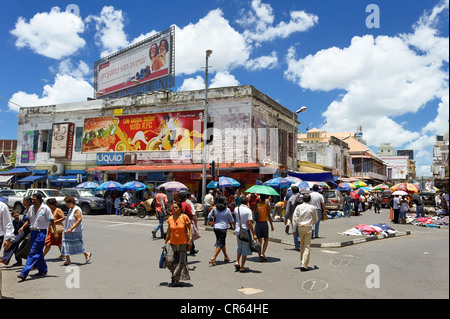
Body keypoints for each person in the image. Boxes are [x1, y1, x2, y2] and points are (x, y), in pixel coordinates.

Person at [17, 193, 58, 280]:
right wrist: (22, 227)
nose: (32, 201)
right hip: (33, 232)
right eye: (32, 199)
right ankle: (43, 269)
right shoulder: (31, 208)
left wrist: (55, 232)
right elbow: (28, 221)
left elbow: (52, 221)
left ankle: (24, 273)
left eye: (34, 199)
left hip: (41, 233)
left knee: (33, 252)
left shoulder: (45, 208)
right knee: (38, 252)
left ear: (39, 199)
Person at [164, 202, 192, 287]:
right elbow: (169, 231)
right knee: (169, 260)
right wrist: (165, 243)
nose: (174, 209)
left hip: (182, 243)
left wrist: (190, 240)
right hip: (172, 243)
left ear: (180, 208)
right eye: (173, 208)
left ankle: (176, 279)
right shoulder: (170, 218)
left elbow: (190, 229)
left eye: (176, 207)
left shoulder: (184, 217)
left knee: (180, 262)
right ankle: (174, 273)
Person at [61, 196, 92, 266]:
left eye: (67, 203)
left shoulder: (76, 210)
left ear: (71, 202)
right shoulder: (70, 209)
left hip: (75, 231)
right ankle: (68, 260)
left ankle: (87, 254)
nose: (66, 205)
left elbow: (79, 220)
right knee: (65, 245)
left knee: (78, 244)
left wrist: (71, 228)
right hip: (68, 230)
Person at [0, 197, 31, 266]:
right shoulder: (25, 210)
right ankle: (18, 261)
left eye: (24, 201)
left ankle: (5, 259)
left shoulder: (32, 209)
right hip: (23, 229)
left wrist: (22, 227)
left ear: (28, 202)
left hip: (28, 229)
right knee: (15, 244)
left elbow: (29, 221)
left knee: (14, 242)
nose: (23, 203)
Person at [292, 194, 318, 271]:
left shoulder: (298, 207)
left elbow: (294, 218)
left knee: (302, 245)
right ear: (309, 200)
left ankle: (302, 262)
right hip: (308, 228)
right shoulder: (312, 207)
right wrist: (313, 222)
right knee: (307, 246)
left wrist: (293, 230)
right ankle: (304, 264)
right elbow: (315, 219)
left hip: (300, 228)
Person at [207, 197, 235, 266]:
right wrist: (235, 226)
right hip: (223, 228)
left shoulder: (214, 208)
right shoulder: (227, 210)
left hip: (216, 227)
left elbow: (208, 216)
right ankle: (213, 258)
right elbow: (231, 220)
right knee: (220, 243)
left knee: (221, 242)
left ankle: (226, 256)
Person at [234, 196, 257, 273]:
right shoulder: (248, 210)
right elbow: (250, 223)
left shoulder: (236, 209)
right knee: (245, 249)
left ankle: (237, 262)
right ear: (247, 202)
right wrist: (254, 234)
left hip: (238, 230)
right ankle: (242, 267)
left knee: (239, 247)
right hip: (245, 231)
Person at [254, 194, 274, 262]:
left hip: (258, 224)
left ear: (260, 198)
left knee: (259, 242)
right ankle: (263, 253)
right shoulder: (267, 206)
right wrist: (271, 225)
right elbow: (269, 216)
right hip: (264, 223)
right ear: (265, 199)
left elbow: (255, 214)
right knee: (266, 240)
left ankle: (259, 257)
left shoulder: (256, 205)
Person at [284, 186, 303, 250]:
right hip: (302, 216)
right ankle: (302, 242)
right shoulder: (302, 197)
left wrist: (286, 218)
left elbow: (287, 210)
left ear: (292, 191)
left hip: (294, 217)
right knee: (301, 230)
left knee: (295, 231)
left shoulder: (291, 198)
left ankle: (297, 246)